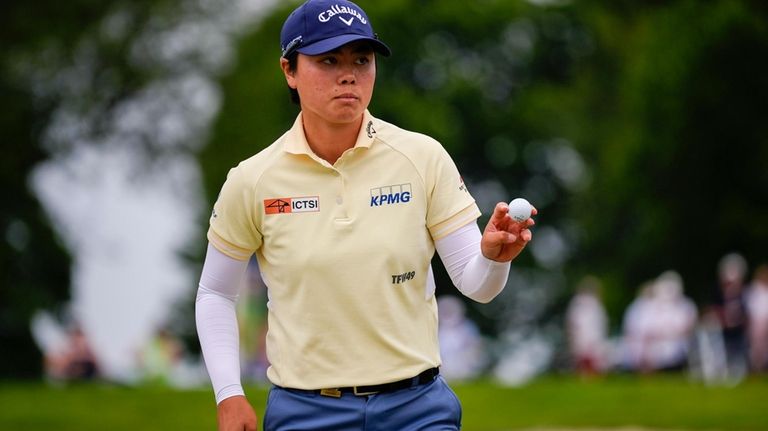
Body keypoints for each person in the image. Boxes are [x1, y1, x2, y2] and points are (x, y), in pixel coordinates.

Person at [195, 1, 537, 430]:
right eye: (328, 60)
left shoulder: (422, 157)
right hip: (305, 413)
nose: (348, 73)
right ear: (289, 70)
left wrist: (493, 258)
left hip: (417, 409)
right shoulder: (252, 180)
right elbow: (215, 294)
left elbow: (477, 285)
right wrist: (229, 394)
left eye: (362, 59)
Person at [565, 275, 608, 376]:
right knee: (582, 355)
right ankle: (583, 374)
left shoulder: (596, 303)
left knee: (594, 355)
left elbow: (600, 321)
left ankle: (592, 375)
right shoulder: (578, 302)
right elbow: (573, 320)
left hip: (594, 333)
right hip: (582, 333)